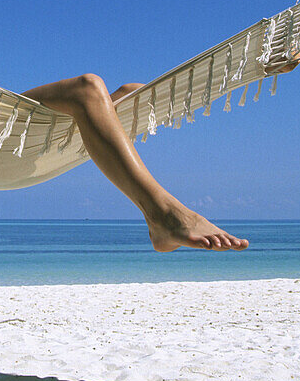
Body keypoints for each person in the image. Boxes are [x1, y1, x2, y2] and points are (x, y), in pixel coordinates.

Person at [24, 74, 249, 252]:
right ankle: (162, 215)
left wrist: (252, 69)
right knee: (87, 88)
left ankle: (245, 72)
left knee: (134, 93)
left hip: (21, 136)